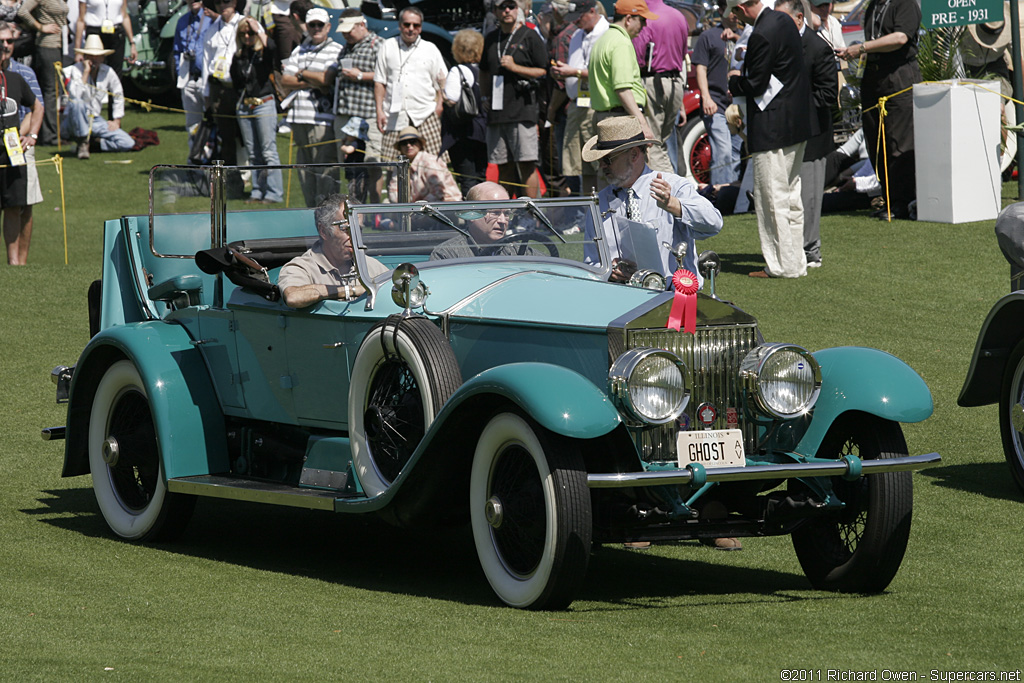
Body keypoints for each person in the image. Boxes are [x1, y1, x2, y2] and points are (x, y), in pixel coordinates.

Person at [727, 0, 812, 279]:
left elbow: (755, 85)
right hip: (795, 122)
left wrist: (734, 80)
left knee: (772, 198)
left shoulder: (761, 33)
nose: (733, 18)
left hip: (773, 127)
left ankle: (781, 265)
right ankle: (796, 261)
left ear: (741, 7)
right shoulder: (784, 21)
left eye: (734, 12)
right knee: (790, 194)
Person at [582, 116, 722, 283]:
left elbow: (714, 223)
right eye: (600, 160)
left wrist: (674, 205)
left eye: (607, 160)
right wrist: (607, 271)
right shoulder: (599, 202)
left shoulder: (674, 186)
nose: (602, 166)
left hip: (672, 298)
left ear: (634, 155)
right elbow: (590, 262)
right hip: (619, 298)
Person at [836, 0, 920, 221]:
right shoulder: (873, 5)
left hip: (898, 76)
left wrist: (862, 47)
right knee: (876, 142)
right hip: (874, 77)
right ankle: (889, 198)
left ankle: (902, 202)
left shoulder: (904, 3)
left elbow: (901, 37)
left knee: (898, 142)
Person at [776, 0, 835, 269]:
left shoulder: (819, 48)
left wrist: (792, 101)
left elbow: (827, 96)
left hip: (813, 136)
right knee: (788, 194)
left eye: (783, 19)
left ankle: (811, 250)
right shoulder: (780, 43)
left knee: (809, 197)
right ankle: (791, 247)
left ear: (799, 18)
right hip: (785, 134)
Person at [479, 0, 547, 198]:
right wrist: (484, 96)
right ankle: (505, 215)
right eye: (502, 7)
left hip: (523, 111)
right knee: (503, 167)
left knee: (527, 165)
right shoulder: (491, 38)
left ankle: (534, 216)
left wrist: (515, 67)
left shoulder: (530, 35)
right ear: (495, 11)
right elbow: (483, 71)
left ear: (517, 10)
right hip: (498, 113)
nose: (507, 10)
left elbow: (543, 70)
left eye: (511, 6)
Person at [278, 194, 389, 308]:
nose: (354, 237)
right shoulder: (302, 267)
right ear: (324, 231)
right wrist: (350, 291)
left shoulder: (370, 265)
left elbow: (395, 292)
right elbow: (293, 297)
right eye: (346, 229)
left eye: (358, 229)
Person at [278, 6, 342, 206]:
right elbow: (285, 80)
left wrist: (301, 72)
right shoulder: (301, 48)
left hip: (321, 119)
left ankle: (329, 214)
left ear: (328, 27)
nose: (315, 28)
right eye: (311, 24)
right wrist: (310, 78)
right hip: (299, 118)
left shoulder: (335, 49)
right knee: (305, 171)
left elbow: (325, 79)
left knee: (325, 170)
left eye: (319, 24)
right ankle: (311, 213)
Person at [374, 6, 447, 161]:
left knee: (433, 164)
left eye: (416, 25)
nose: (411, 29)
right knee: (394, 166)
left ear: (421, 28)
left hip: (426, 114)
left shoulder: (430, 48)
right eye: (407, 24)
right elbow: (380, 82)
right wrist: (379, 110)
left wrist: (439, 106)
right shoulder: (387, 46)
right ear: (400, 25)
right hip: (394, 115)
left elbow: (442, 81)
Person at [551, 0, 607, 195]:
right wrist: (561, 72)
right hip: (577, 104)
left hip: (596, 105)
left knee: (600, 164)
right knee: (581, 165)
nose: (575, 22)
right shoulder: (577, 34)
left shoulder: (606, 33)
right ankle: (587, 214)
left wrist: (573, 72)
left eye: (579, 17)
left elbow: (604, 73)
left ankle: (603, 213)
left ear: (592, 11)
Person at [0, 21, 43, 265]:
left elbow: (37, 107)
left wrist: (22, 135)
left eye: (9, 41)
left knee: (21, 206)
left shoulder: (22, 74)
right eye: (1, 42)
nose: (5, 46)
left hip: (19, 147)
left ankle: (18, 265)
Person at [231, 15, 283, 204]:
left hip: (264, 103)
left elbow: (273, 47)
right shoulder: (239, 55)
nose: (247, 36)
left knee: (268, 151)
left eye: (250, 33)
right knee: (253, 153)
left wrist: (258, 29)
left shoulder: (263, 54)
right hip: (245, 106)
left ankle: (274, 192)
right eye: (243, 33)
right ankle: (257, 191)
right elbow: (235, 80)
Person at [631, 0, 688, 174]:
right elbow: (684, 51)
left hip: (653, 83)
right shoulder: (678, 16)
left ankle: (666, 191)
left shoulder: (646, 17)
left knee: (652, 144)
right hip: (675, 83)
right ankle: (672, 186)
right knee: (662, 141)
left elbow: (638, 55)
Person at [588, 0, 657, 139]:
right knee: (631, 160)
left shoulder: (603, 39)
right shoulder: (621, 43)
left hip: (606, 117)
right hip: (620, 120)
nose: (644, 26)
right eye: (642, 20)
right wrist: (643, 124)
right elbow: (623, 90)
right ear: (629, 19)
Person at [333, 10, 383, 200]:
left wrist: (360, 75)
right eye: (343, 31)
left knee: (373, 163)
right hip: (346, 115)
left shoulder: (378, 44)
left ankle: (376, 209)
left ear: (362, 25)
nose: (346, 34)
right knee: (350, 165)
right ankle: (355, 208)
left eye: (349, 30)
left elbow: (387, 76)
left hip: (369, 114)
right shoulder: (346, 46)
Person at [62, 34, 135, 158]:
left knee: (127, 143)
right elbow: (74, 96)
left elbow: (118, 94)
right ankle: (82, 142)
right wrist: (86, 73)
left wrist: (116, 120)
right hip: (74, 119)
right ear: (85, 57)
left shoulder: (108, 71)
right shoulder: (75, 70)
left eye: (97, 56)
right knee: (78, 103)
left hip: (95, 120)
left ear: (102, 57)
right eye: (91, 56)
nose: (94, 59)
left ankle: (93, 145)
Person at [692, 2, 740, 185]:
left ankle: (732, 197)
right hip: (716, 104)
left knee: (736, 152)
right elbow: (700, 69)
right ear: (721, 11)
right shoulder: (708, 37)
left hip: (737, 105)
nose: (735, 15)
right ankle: (719, 195)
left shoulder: (743, 36)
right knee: (723, 150)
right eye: (731, 10)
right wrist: (706, 97)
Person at [430, 181, 534, 259]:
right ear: (472, 215)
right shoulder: (447, 255)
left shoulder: (519, 251)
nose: (503, 221)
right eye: (495, 213)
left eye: (506, 214)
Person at [441, 28, 487, 198]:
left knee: (467, 178)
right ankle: (485, 216)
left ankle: (472, 218)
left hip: (463, 133)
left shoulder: (458, 71)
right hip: (483, 131)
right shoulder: (483, 70)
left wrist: (441, 90)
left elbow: (452, 99)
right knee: (481, 177)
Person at [18, 0, 65, 146]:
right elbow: (22, 11)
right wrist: (40, 27)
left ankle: (50, 132)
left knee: (54, 90)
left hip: (58, 45)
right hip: (47, 45)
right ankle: (50, 136)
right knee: (51, 90)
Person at [173, 0, 213, 159]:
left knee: (213, 122)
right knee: (192, 125)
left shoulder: (211, 19)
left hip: (208, 80)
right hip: (189, 79)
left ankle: (213, 161)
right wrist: (180, 73)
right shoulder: (182, 21)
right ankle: (195, 162)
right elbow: (177, 51)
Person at [387, 126, 462, 203]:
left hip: (446, 205)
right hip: (418, 208)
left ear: (420, 144)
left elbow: (439, 192)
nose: (408, 145)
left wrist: (414, 207)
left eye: (412, 141)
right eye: (404, 143)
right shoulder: (401, 165)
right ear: (400, 148)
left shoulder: (429, 161)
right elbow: (393, 191)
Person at [73, 0, 136, 80]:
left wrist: (132, 43)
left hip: (116, 31)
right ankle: (95, 91)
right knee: (94, 68)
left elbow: (125, 16)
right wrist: (78, 52)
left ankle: (114, 92)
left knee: (116, 72)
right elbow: (81, 20)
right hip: (95, 33)